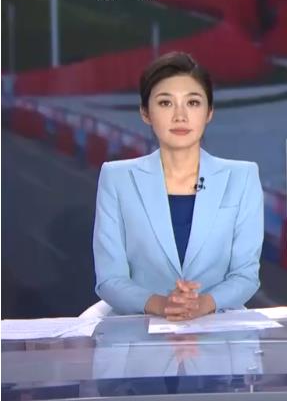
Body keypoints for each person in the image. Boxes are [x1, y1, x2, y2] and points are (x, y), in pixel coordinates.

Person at [91, 52, 263, 319]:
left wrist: (203, 304)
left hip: (218, 324)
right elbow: (109, 279)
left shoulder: (242, 178)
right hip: (138, 325)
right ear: (145, 113)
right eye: (165, 103)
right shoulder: (117, 178)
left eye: (193, 102)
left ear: (209, 112)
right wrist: (161, 304)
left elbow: (245, 275)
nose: (180, 116)